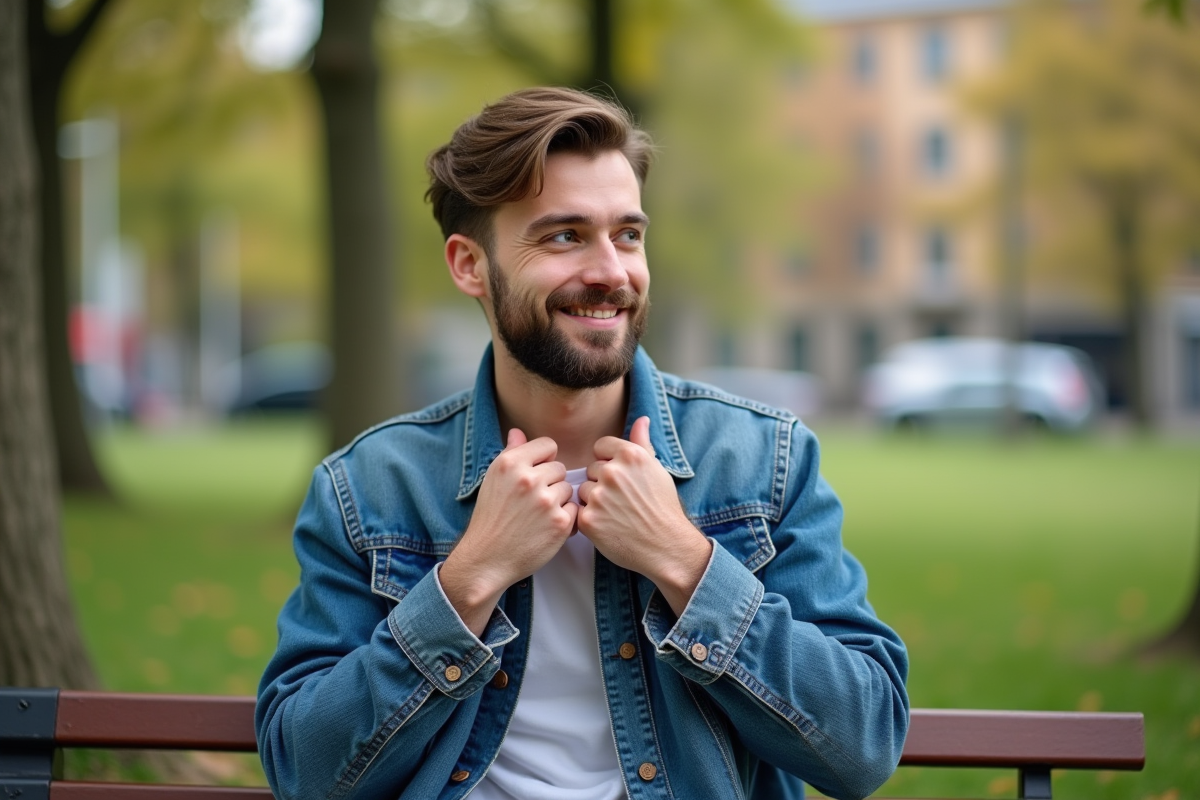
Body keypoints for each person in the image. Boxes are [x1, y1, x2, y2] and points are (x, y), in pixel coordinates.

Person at [256, 86, 908, 800]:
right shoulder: (371, 488)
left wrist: (685, 563)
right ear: (470, 265)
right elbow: (306, 772)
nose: (611, 272)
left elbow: (863, 746)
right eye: (565, 236)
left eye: (627, 235)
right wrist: (466, 582)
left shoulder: (763, 460)